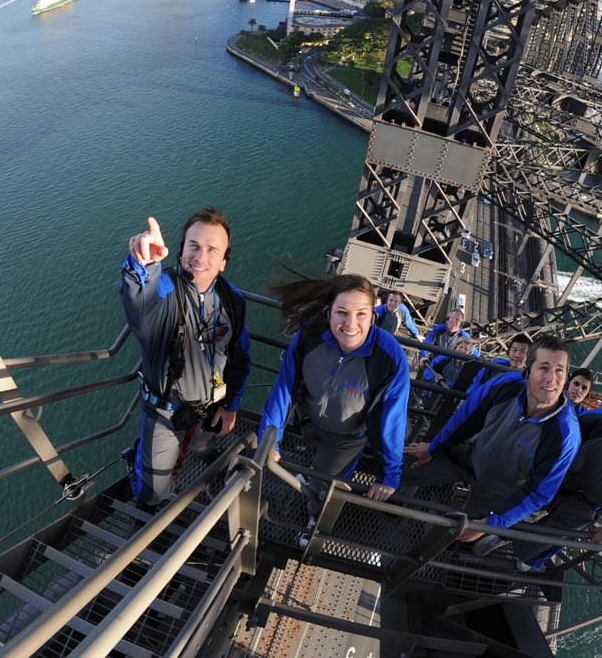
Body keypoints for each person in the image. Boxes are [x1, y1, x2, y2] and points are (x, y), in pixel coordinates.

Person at [476, 371, 602, 564]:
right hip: (561, 477)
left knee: (531, 550)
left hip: (587, 507)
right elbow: (572, 430)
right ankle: (500, 535)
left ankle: (526, 559)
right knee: (521, 504)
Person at [119, 208, 251, 510]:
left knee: (206, 448)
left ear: (223, 263)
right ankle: (137, 464)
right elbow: (141, 305)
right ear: (180, 252)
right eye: (193, 245)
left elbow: (240, 359)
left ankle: (205, 466)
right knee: (151, 496)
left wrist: (231, 405)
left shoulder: (232, 301)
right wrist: (143, 265)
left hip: (211, 407)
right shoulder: (164, 289)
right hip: (165, 413)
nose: (200, 257)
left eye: (211, 250)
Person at [401, 336, 580, 542]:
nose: (552, 379)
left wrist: (494, 521)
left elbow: (540, 492)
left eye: (560, 370)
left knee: (460, 533)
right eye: (544, 368)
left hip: (498, 490)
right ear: (527, 371)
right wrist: (433, 448)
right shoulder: (504, 386)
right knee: (403, 463)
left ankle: (435, 550)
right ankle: (384, 504)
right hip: (471, 456)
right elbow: (466, 420)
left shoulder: (565, 434)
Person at [258, 274, 410, 510]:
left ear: (373, 316)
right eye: (342, 312)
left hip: (347, 440)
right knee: (312, 460)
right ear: (329, 311)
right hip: (308, 420)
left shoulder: (390, 357)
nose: (350, 324)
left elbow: (393, 418)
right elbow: (284, 386)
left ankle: (312, 519)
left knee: (324, 491)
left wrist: (389, 475)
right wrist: (269, 438)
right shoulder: (310, 335)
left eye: (361, 314)